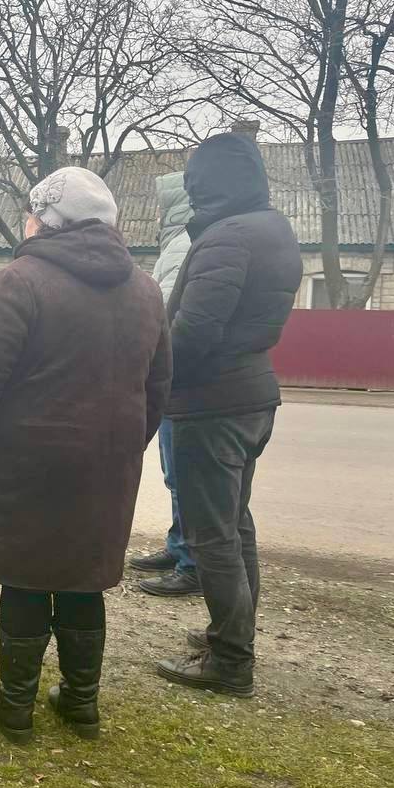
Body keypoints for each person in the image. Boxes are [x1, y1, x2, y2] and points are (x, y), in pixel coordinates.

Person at [0, 167, 170, 744]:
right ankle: (81, 704)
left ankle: (15, 706)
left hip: (26, 466)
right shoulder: (145, 288)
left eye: (31, 213)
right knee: (81, 580)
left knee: (26, 578)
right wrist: (117, 449)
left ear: (45, 219)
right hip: (104, 469)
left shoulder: (20, 281)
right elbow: (158, 389)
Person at [157, 133, 302, 698]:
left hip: (211, 404)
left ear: (210, 183)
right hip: (250, 396)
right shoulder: (274, 229)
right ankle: (231, 633)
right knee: (237, 526)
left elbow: (193, 335)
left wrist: (152, 368)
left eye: (196, 182)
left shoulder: (227, 237)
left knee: (213, 534)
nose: (191, 194)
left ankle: (230, 661)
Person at [129, 173, 200, 597]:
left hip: (183, 384)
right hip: (179, 384)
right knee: (178, 475)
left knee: (185, 475)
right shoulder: (182, 244)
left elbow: (168, 317)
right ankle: (180, 547)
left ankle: (191, 560)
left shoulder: (182, 246)